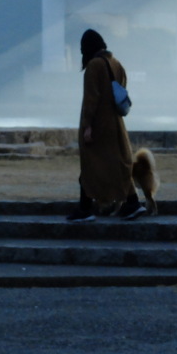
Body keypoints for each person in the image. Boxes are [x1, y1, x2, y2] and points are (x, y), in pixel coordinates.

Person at [67, 29, 146, 222]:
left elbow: (91, 98)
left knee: (90, 166)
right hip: (116, 124)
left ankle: (85, 208)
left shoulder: (94, 65)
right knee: (118, 165)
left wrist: (87, 126)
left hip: (99, 125)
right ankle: (132, 202)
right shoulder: (115, 63)